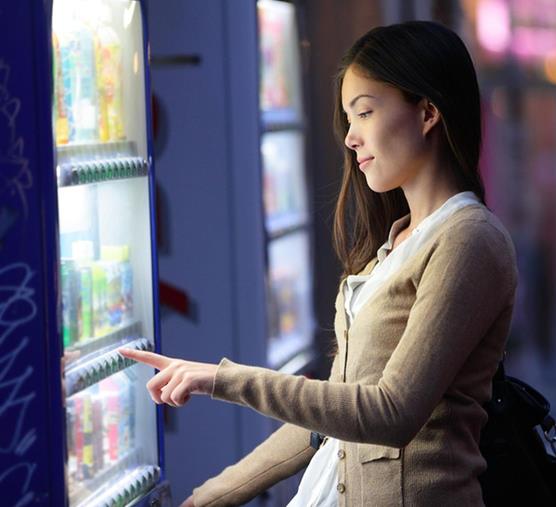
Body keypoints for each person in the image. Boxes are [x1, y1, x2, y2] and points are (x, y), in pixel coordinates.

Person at [121, 21, 517, 507]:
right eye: (348, 119)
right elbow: (327, 420)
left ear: (428, 112)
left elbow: (391, 412)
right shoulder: (395, 244)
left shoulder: (469, 240)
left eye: (365, 112)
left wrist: (220, 379)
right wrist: (207, 498)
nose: (350, 138)